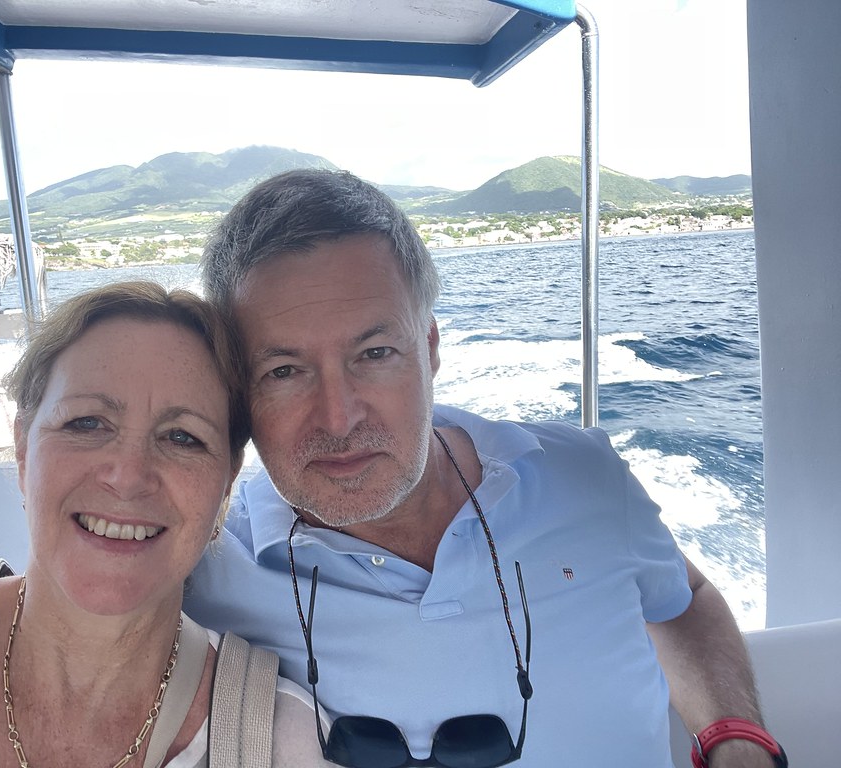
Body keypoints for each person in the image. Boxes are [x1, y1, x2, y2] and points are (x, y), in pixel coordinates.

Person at [181, 169, 779, 767]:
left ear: (431, 348)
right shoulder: (202, 565)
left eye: (375, 353)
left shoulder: (585, 478)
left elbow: (685, 594)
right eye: (284, 371)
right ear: (238, 389)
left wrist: (735, 736)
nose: (338, 419)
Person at [0, 281, 332, 767]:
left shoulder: (282, 740)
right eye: (86, 423)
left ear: (225, 484)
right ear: (23, 449)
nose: (128, 477)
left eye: (182, 437)